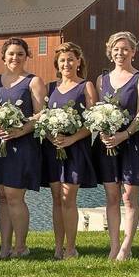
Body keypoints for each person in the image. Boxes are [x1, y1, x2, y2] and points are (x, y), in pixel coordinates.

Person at [92, 31, 139, 261]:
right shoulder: (101, 80)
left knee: (129, 196)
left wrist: (124, 135)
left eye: (125, 49)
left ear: (134, 52)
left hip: (131, 142)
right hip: (107, 144)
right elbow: (98, 111)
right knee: (112, 196)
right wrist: (106, 132)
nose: (120, 53)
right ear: (110, 52)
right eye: (116, 49)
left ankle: (127, 245)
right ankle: (114, 245)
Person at [0, 38, 47, 259]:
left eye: (20, 54)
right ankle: (4, 246)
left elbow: (41, 114)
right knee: (2, 195)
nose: (15, 58)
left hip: (22, 144)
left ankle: (21, 246)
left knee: (14, 195)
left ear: (26, 56)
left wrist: (21, 130)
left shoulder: (33, 81)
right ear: (3, 56)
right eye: (11, 54)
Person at [41, 42, 98, 260]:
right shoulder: (50, 88)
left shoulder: (86, 86)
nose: (66, 63)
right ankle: (57, 247)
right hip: (53, 148)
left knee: (68, 198)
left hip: (75, 148)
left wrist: (71, 139)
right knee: (56, 198)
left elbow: (92, 121)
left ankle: (71, 247)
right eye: (62, 60)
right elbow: (43, 120)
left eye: (71, 59)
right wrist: (51, 136)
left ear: (78, 61)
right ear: (57, 63)